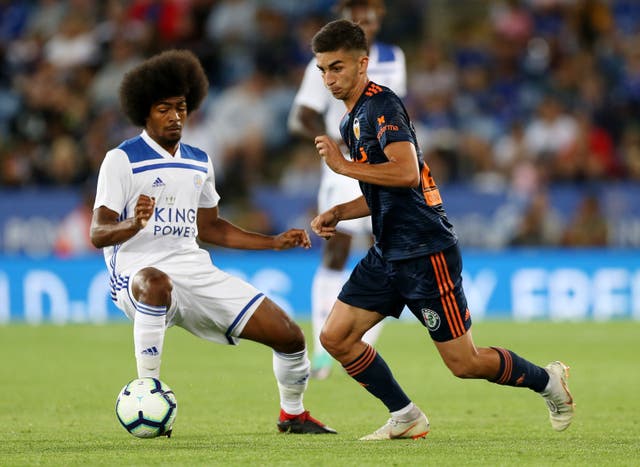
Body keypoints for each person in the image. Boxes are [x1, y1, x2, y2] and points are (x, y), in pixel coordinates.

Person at [309, 19, 575, 440]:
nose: (329, 78)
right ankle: (406, 415)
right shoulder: (350, 120)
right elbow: (383, 191)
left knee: (464, 364)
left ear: (362, 64)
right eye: (322, 69)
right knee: (336, 337)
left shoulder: (383, 106)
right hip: (388, 251)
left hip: (424, 253)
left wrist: (342, 166)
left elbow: (406, 173)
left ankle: (548, 382)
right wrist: (340, 210)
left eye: (337, 67)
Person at [89, 49, 335, 436]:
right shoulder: (121, 160)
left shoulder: (199, 160)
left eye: (181, 108)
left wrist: (272, 243)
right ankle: (149, 389)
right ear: (144, 112)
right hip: (136, 274)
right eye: (163, 109)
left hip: (193, 269)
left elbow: (212, 229)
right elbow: (98, 233)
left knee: (289, 335)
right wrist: (132, 225)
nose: (175, 117)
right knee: (155, 281)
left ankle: (293, 415)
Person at [288, 0, 406, 380]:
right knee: (336, 249)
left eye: (370, 18)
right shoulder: (323, 64)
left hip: (381, 162)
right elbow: (301, 115)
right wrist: (329, 142)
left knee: (385, 246)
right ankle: (323, 350)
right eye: (358, 19)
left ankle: (365, 338)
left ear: (379, 18)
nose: (366, 24)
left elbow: (394, 108)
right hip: (342, 166)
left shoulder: (393, 57)